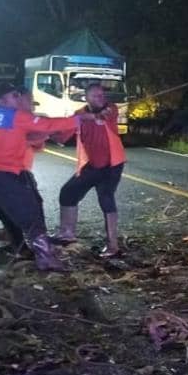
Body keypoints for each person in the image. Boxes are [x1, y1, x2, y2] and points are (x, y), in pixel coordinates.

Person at [0, 82, 87, 271]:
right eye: (15, 96)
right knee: (31, 213)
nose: (19, 99)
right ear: (1, 100)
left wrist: (43, 136)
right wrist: (78, 119)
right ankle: (45, 258)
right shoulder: (15, 115)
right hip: (1, 173)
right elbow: (47, 124)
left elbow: (28, 138)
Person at [52, 81, 126, 257]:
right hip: (91, 165)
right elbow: (62, 137)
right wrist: (48, 132)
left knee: (106, 198)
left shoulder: (112, 109)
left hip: (111, 165)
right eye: (96, 96)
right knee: (68, 192)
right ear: (87, 98)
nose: (101, 98)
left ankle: (113, 246)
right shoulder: (80, 115)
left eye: (102, 95)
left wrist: (98, 115)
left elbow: (106, 115)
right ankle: (67, 234)